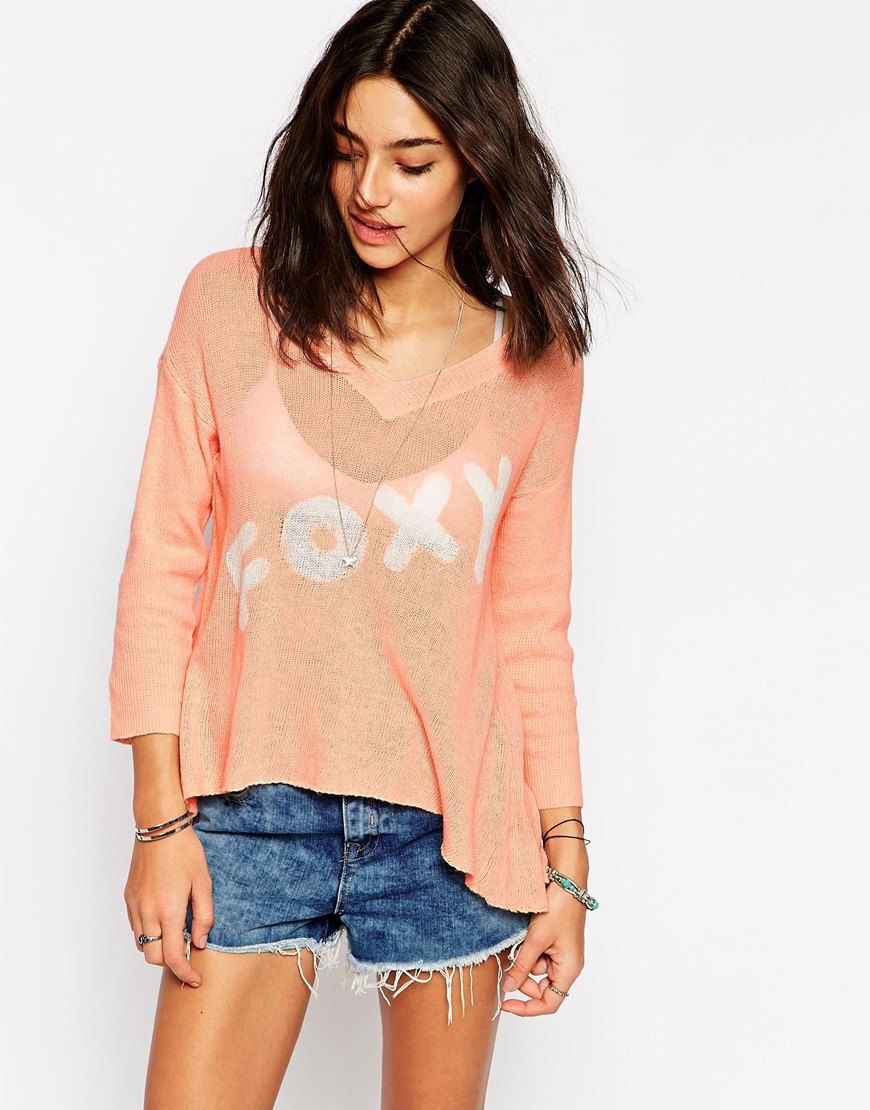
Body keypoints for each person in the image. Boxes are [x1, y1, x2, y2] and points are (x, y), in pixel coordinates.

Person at [109, 0, 600, 1104]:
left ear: (478, 162)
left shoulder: (535, 364)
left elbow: (531, 629)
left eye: (412, 162)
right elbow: (162, 566)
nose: (369, 190)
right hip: (247, 811)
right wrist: (159, 820)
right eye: (345, 150)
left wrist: (567, 861)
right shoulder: (229, 304)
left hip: (451, 836)